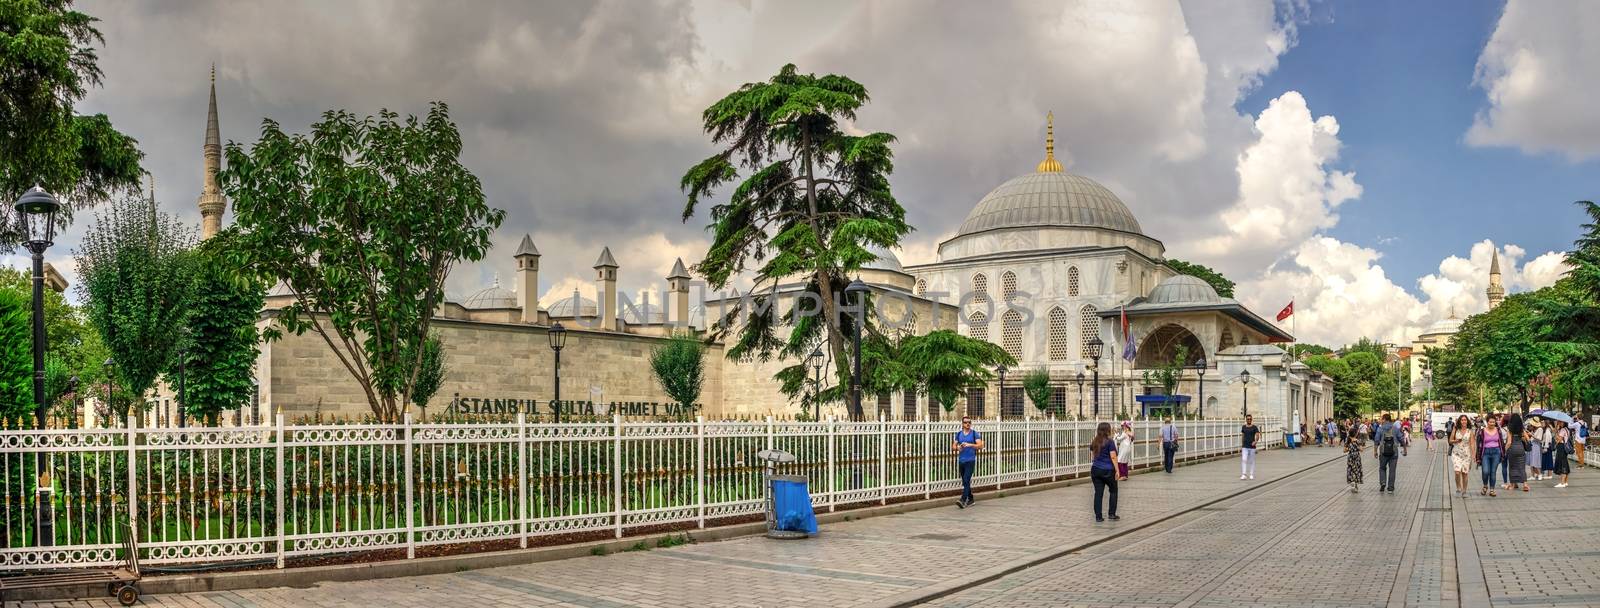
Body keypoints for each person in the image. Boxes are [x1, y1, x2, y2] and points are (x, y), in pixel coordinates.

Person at [1088, 421, 1119, 522]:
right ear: (1107, 430)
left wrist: (1095, 462)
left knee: (1098, 493)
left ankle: (1098, 516)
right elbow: (1113, 456)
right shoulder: (1110, 442)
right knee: (1113, 490)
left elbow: (1093, 454)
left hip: (1096, 470)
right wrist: (1117, 470)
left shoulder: (1095, 441)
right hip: (1108, 470)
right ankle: (1111, 514)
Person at [952, 416, 983, 508]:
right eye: (965, 422)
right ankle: (971, 499)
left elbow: (980, 445)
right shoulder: (958, 434)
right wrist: (958, 448)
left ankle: (963, 500)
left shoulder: (974, 434)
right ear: (962, 424)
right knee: (965, 481)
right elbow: (953, 446)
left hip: (970, 460)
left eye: (969, 422)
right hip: (961, 461)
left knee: (966, 479)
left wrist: (970, 444)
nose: (967, 424)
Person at [1372, 413, 1406, 493]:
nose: (1380, 420)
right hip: (1394, 452)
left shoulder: (1380, 429)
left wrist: (1375, 451)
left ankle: (1383, 482)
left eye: (1381, 419)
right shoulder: (1395, 428)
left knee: (1382, 468)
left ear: (1384, 419)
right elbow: (1401, 438)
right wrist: (1405, 449)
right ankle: (1390, 488)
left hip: (1383, 452)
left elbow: (1376, 440)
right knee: (1392, 470)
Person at [1477, 416, 1505, 496]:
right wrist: (1477, 457)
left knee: (1493, 472)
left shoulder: (1498, 430)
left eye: (1493, 422)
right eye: (1490, 422)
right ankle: (1485, 486)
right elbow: (1478, 444)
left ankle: (1492, 489)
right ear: (1487, 422)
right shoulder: (1482, 431)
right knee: (1485, 471)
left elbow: (1501, 442)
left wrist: (1503, 453)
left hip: (1496, 452)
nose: (1492, 424)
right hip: (1485, 452)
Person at [1449, 414, 1475, 498]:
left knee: (1465, 473)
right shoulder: (1455, 429)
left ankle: (1464, 491)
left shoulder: (1470, 431)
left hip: (1466, 454)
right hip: (1456, 453)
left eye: (1465, 420)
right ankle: (1458, 488)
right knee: (1457, 472)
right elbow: (1450, 441)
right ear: (1460, 421)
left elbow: (1472, 444)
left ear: (1467, 421)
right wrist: (1456, 440)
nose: (1464, 421)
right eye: (1462, 420)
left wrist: (1473, 455)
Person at [1505, 413, 1529, 492]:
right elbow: (1528, 439)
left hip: (1512, 449)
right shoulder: (1521, 429)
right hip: (1521, 449)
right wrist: (1521, 438)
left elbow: (1509, 442)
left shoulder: (1510, 430)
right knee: (1521, 467)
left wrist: (1504, 450)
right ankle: (1525, 484)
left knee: (1512, 467)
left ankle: (1512, 485)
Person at [1345, 419, 1365, 493]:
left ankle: (1352, 482)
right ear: (1355, 434)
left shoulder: (1348, 441)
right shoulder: (1357, 441)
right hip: (1356, 457)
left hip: (1350, 457)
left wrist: (1349, 448)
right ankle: (1355, 484)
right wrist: (1358, 447)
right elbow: (1361, 449)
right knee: (1356, 470)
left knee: (1350, 469)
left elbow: (1344, 450)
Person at [1240, 415, 1260, 480]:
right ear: (1246, 420)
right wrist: (1242, 444)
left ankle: (1251, 474)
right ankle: (1244, 474)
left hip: (1252, 447)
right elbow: (1243, 436)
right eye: (1248, 419)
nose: (1249, 420)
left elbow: (1257, 435)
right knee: (1244, 459)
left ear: (1251, 420)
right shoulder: (1243, 427)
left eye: (1250, 419)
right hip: (1245, 446)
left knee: (1251, 461)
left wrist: (1256, 441)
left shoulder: (1254, 427)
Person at [1553, 421, 1571, 488]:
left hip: (1561, 447)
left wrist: (1556, 433)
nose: (1559, 423)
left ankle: (1562, 483)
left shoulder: (1563, 429)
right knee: (1565, 463)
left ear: (1564, 423)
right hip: (1563, 448)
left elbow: (1559, 439)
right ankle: (1565, 482)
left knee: (1562, 464)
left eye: (1561, 422)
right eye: (1559, 422)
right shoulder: (1566, 429)